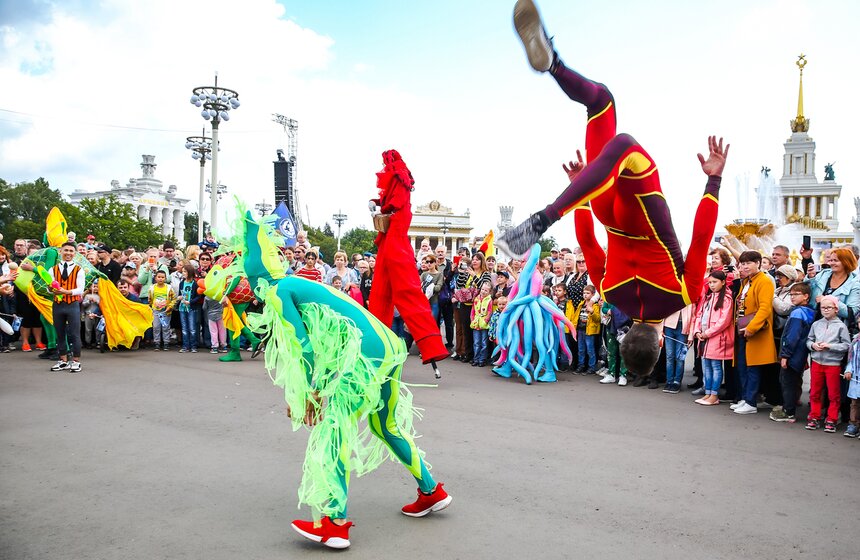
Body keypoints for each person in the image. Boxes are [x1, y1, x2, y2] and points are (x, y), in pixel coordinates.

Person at [498, 0, 729, 379]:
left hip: (643, 211)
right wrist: (582, 193)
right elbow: (588, 241)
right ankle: (552, 64)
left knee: (624, 143)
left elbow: (702, 237)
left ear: (658, 341)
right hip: (607, 210)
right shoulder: (609, 293)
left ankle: (543, 219)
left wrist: (713, 179)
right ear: (624, 340)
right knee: (600, 102)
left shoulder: (684, 296)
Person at [368, 150, 448, 365]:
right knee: (380, 292)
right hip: (388, 241)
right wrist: (377, 202)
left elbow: (395, 203)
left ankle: (431, 344)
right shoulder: (396, 181)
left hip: (395, 241)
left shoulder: (399, 179)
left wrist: (381, 206)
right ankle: (376, 344)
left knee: (406, 291)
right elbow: (389, 201)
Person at [730, 251, 777, 415]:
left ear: (758, 263)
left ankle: (751, 401)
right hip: (742, 329)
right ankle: (745, 398)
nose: (744, 266)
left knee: (752, 367)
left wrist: (752, 328)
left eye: (747, 263)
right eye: (742, 263)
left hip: (754, 331)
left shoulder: (764, 281)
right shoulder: (747, 281)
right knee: (742, 366)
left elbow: (765, 308)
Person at [805, 295, 851, 432]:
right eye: (823, 307)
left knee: (833, 394)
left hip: (833, 364)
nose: (825, 310)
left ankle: (832, 418)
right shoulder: (816, 324)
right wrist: (813, 345)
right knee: (815, 392)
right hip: (817, 362)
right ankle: (814, 416)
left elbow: (847, 346)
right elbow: (808, 340)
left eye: (829, 307)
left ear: (836, 309)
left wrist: (830, 346)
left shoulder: (841, 326)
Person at [770, 282, 815, 422]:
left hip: (793, 354)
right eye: (791, 294)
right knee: (795, 381)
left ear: (806, 296)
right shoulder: (810, 311)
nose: (793, 297)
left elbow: (792, 337)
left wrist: (785, 355)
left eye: (796, 294)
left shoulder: (797, 312)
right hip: (801, 354)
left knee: (787, 382)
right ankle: (790, 406)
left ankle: (788, 412)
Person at [691, 271, 734, 405]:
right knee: (707, 366)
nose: (712, 285)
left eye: (714, 282)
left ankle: (714, 395)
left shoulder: (727, 299)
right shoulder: (708, 298)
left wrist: (707, 333)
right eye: (710, 282)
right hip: (705, 337)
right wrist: (697, 331)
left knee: (715, 366)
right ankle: (708, 392)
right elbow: (699, 315)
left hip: (717, 338)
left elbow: (724, 321)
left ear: (723, 282)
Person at [48, 241, 85, 373]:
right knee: (60, 333)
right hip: (57, 305)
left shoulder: (79, 269)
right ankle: (63, 360)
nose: (68, 253)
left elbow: (80, 289)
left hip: (72, 304)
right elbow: (48, 289)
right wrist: (51, 289)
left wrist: (65, 292)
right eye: (66, 250)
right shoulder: (52, 269)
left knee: (75, 334)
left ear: (74, 253)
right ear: (61, 252)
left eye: (71, 251)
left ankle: (76, 361)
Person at [571, 285, 601, 374]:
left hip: (589, 331)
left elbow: (598, 319)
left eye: (588, 293)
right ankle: (581, 366)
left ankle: (591, 367)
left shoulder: (595, 306)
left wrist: (591, 311)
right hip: (580, 329)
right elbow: (576, 316)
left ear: (593, 295)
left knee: (590, 350)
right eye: (584, 293)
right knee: (581, 349)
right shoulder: (581, 304)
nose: (585, 295)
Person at [177, 264, 202, 353]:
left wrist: (190, 302)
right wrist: (179, 298)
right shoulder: (182, 283)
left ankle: (193, 346)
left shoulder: (195, 283)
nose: (183, 273)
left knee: (192, 328)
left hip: (191, 308)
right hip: (182, 308)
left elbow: (198, 296)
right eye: (182, 271)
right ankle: (185, 346)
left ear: (189, 272)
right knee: (184, 328)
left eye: (185, 271)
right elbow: (180, 294)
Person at [149, 270, 175, 351]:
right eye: (159, 277)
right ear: (155, 278)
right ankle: (157, 342)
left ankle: (166, 342)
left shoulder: (169, 288)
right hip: (156, 311)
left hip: (165, 311)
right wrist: (152, 306)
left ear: (165, 278)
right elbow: (150, 299)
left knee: (165, 326)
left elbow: (173, 299)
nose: (161, 279)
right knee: (156, 326)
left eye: (162, 277)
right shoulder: (152, 288)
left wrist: (170, 306)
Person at [470, 280, 493, 367]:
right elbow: (473, 310)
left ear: (489, 292)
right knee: (476, 342)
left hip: (484, 324)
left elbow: (490, 311)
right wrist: (472, 319)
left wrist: (485, 321)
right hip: (476, 323)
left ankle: (482, 359)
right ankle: (476, 359)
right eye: (482, 289)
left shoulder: (489, 300)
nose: (483, 291)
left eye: (486, 290)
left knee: (484, 343)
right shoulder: (476, 299)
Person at [843, 317, 860, 437]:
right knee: (854, 403)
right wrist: (848, 370)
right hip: (856, 378)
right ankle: (853, 424)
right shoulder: (856, 340)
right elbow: (851, 359)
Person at [420, 255, 443, 323]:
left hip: (434, 302)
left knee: (432, 323)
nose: (429, 263)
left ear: (435, 263)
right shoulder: (424, 274)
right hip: (423, 302)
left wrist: (427, 287)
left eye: (431, 261)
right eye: (427, 262)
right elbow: (419, 287)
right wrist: (431, 287)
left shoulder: (439, 274)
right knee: (423, 323)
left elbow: (438, 288)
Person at [81, 282, 102, 349]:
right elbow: (83, 305)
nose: (95, 288)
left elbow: (103, 306)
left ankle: (98, 342)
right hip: (88, 314)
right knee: (88, 330)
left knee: (97, 329)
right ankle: (88, 342)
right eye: (94, 286)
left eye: (97, 287)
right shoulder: (87, 296)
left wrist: (97, 302)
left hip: (97, 315)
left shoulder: (100, 296)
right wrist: (89, 301)